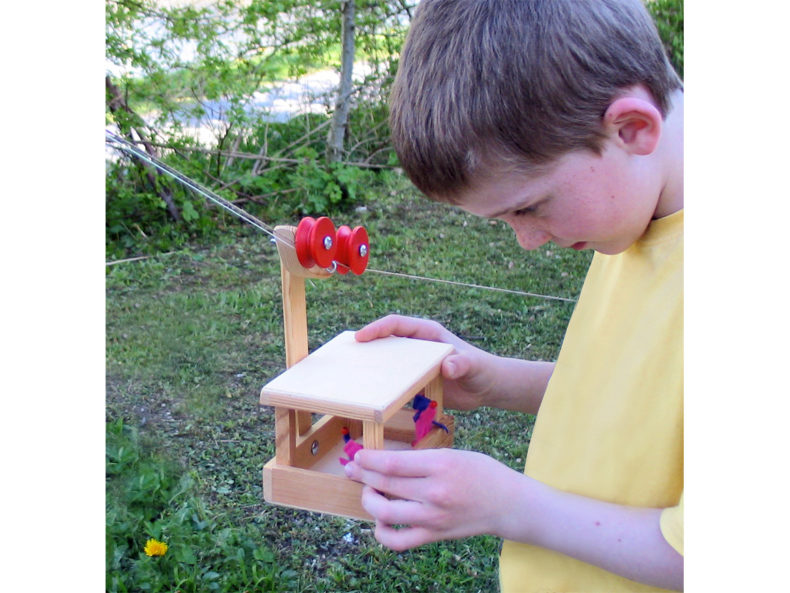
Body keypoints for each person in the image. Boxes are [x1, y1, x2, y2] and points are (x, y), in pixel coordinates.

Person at [341, 0, 684, 591]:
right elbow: (649, 402)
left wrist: (511, 507)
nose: (527, 240)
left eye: (529, 206)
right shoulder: (636, 207)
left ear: (631, 129)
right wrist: (498, 380)